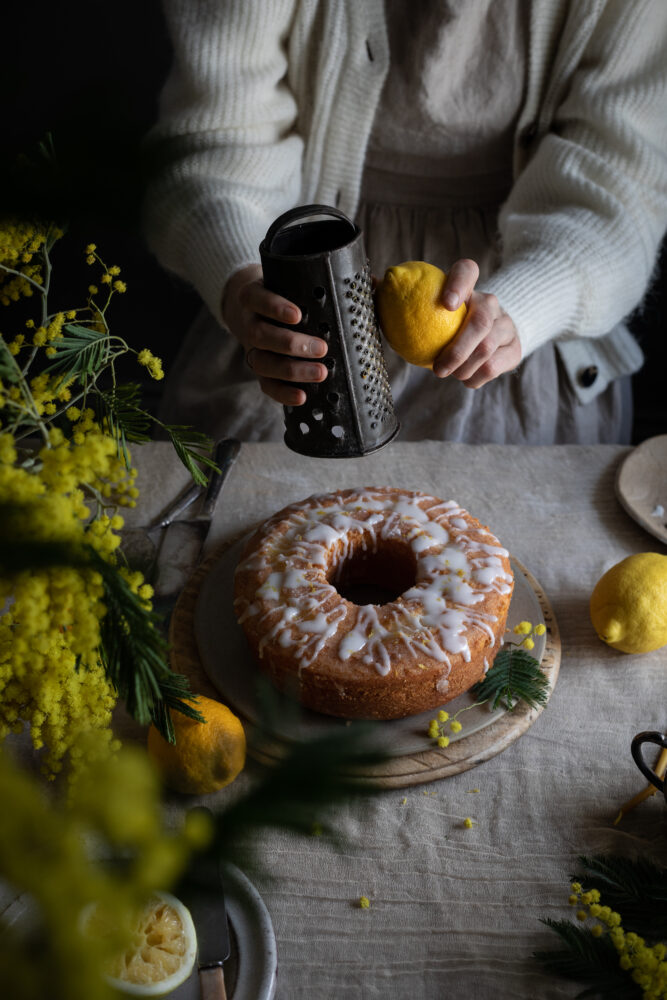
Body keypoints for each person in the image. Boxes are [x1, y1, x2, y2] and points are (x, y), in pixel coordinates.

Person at [143, 0, 667, 445]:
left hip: (523, 338)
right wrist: (241, 287)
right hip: (294, 314)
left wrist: (519, 311)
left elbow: (622, 184)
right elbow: (213, 142)